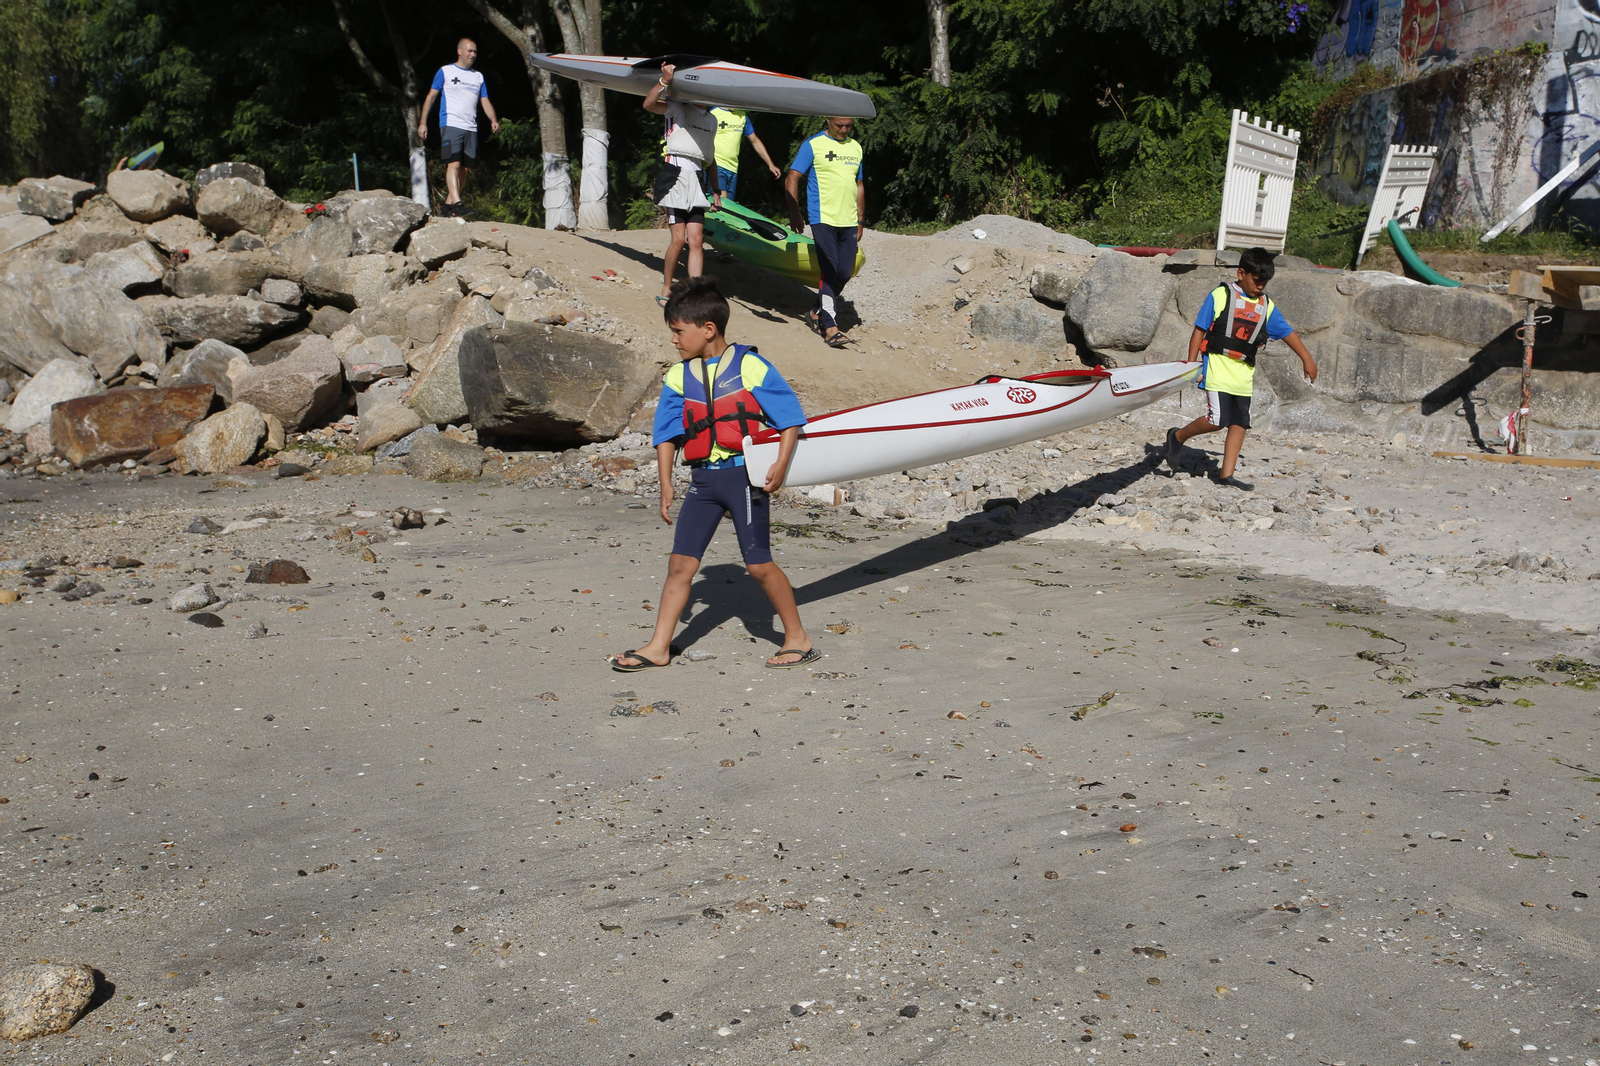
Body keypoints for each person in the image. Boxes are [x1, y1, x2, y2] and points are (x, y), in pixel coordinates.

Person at [609, 277, 817, 673]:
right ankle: (658, 647)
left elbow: (790, 418)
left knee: (757, 565)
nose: (673, 340)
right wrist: (667, 482)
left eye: (677, 331)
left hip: (744, 477)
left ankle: (798, 638)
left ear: (708, 329)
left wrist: (781, 463)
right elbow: (667, 433)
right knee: (680, 565)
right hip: (703, 482)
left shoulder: (750, 365)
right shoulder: (677, 376)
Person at [1163, 247, 1318, 490]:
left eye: (1265, 282)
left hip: (1243, 374)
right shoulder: (1220, 295)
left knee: (1239, 422)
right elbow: (1199, 329)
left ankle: (1227, 475)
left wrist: (1306, 358)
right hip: (1216, 367)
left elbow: (1287, 332)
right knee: (1217, 420)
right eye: (1257, 281)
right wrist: (1192, 364)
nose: (1261, 287)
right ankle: (1177, 436)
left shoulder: (1265, 305)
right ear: (1241, 273)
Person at [645, 63, 722, 305]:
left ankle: (694, 294)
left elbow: (710, 158)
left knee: (697, 240)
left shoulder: (712, 120)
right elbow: (648, 105)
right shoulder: (678, 108)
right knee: (678, 239)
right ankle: (667, 288)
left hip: (697, 180)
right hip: (675, 177)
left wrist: (716, 191)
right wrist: (664, 81)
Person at [785, 116, 865, 348]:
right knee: (829, 269)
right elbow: (793, 177)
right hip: (823, 218)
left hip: (849, 220)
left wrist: (860, 220)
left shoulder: (856, 147)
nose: (843, 129)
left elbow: (859, 184)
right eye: (839, 125)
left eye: (848, 125)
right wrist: (794, 212)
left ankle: (815, 310)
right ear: (828, 120)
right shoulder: (813, 145)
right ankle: (830, 327)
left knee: (844, 272)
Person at [417, 38, 500, 218]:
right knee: (453, 164)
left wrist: (493, 119)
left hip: (471, 127)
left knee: (465, 168)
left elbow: (484, 100)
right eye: (470, 51)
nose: (473, 55)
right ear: (459, 51)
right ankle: (457, 203)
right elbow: (431, 97)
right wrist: (423, 122)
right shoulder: (446, 71)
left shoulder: (478, 77)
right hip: (451, 123)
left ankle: (447, 207)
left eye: (475, 52)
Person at [708, 106, 782, 202]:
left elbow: (755, 141)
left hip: (733, 169)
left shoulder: (742, 115)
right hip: (717, 166)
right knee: (723, 205)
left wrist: (770, 164)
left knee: (730, 209)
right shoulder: (713, 113)